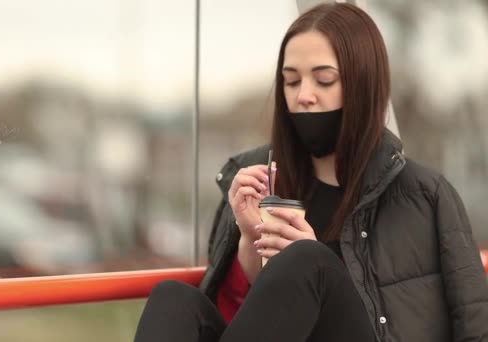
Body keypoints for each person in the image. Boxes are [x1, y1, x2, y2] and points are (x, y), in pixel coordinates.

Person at [134, 3, 488, 341]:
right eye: (291, 81)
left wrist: (307, 262)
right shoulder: (253, 178)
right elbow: (235, 319)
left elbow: (476, 326)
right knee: (173, 300)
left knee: (307, 259)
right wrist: (248, 240)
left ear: (361, 84)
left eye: (323, 80)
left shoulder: (426, 195)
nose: (303, 95)